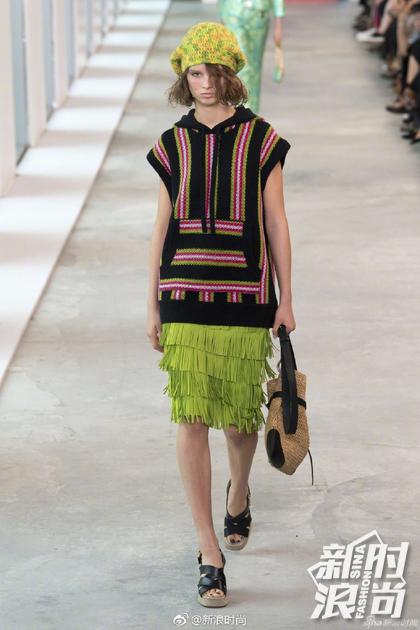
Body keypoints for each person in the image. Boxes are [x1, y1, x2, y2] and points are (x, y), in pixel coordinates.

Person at [145, 21, 295, 607]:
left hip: (245, 294)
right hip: (183, 292)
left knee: (238, 421)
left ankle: (239, 491)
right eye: (195, 73)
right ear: (185, 77)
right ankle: (209, 549)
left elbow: (276, 221)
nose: (205, 83)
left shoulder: (261, 139)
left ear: (230, 73)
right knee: (190, 417)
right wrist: (152, 303)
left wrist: (287, 297)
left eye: (213, 72)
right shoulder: (172, 144)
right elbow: (161, 227)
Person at [218, 0, 285, 112]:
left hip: (259, 16)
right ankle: (242, 109)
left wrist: (279, 23)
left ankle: (252, 111)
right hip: (233, 14)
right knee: (242, 64)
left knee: (255, 67)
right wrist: (221, 15)